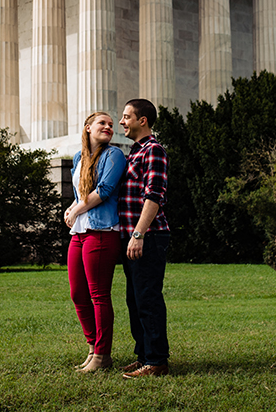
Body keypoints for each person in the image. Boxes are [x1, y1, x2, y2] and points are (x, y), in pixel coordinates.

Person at [63, 111, 127, 373]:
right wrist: (71, 207)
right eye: (103, 123)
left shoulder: (114, 156)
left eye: (111, 125)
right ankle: (92, 348)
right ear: (88, 127)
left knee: (99, 295)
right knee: (78, 294)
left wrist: (76, 209)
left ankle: (102, 355)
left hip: (102, 231)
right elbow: (81, 192)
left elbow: (104, 190)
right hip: (79, 233)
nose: (109, 127)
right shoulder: (79, 158)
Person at [118, 98, 172, 378]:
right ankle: (143, 356)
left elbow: (154, 197)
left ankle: (156, 361)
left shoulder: (153, 151)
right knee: (135, 299)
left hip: (148, 237)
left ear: (143, 121)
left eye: (127, 117)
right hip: (133, 238)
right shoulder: (133, 153)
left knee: (148, 298)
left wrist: (138, 234)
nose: (121, 122)